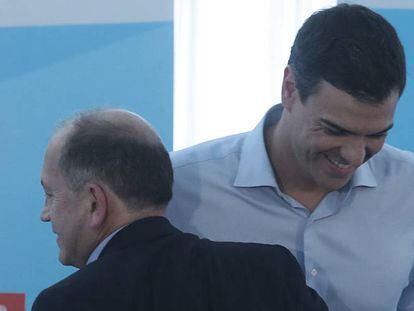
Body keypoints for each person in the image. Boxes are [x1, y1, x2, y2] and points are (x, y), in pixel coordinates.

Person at [167, 4, 414, 311]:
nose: (354, 155)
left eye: (376, 135)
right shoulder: (175, 188)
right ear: (289, 89)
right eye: (334, 130)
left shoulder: (409, 188)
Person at [32, 109, 327, 311]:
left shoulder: (68, 303)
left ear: (95, 202)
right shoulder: (269, 272)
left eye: (50, 194)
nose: (45, 214)